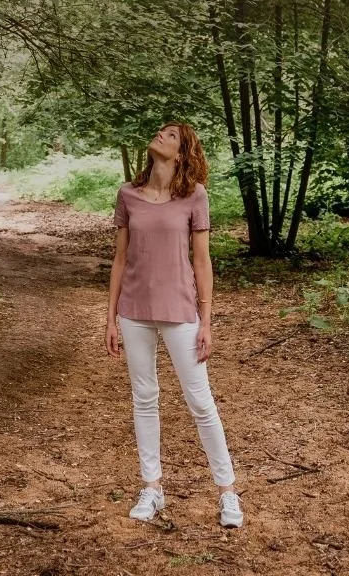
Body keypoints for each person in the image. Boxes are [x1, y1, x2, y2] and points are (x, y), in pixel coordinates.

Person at [104, 121, 242, 528]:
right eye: (160, 132)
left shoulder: (194, 197)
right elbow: (119, 259)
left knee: (201, 402)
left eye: (170, 136)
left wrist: (206, 320)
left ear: (181, 153)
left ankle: (228, 493)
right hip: (134, 311)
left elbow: (202, 262)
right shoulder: (128, 194)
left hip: (182, 311)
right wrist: (109, 317)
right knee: (144, 399)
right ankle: (152, 487)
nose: (160, 136)